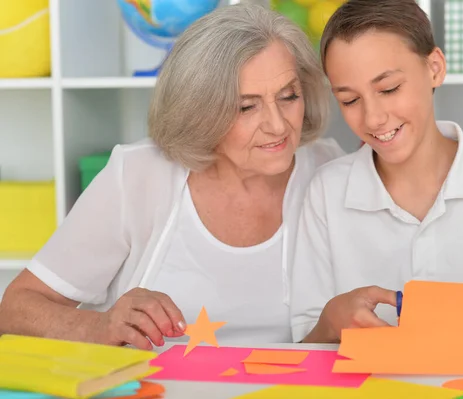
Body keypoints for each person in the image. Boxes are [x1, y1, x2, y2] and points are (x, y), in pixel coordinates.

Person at [0, 3, 344, 349]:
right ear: (199, 110)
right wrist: (98, 326)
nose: (277, 125)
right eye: (245, 106)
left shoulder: (330, 169)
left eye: (289, 96)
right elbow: (15, 309)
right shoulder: (138, 175)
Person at [290, 0, 463, 351]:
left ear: (434, 68)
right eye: (349, 100)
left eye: (389, 89)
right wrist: (329, 324)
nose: (373, 118)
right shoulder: (326, 193)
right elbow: (304, 343)